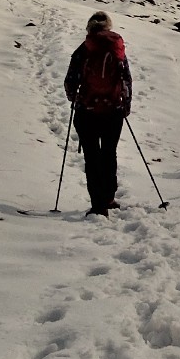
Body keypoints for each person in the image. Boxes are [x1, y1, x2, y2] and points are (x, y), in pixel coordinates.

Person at [64, 11, 132, 216]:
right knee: (109, 153)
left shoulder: (83, 50)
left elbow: (70, 83)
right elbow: (126, 79)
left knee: (92, 157)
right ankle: (109, 197)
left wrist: (75, 99)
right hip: (113, 111)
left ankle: (98, 205)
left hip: (87, 112)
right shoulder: (117, 49)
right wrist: (125, 105)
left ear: (89, 28)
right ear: (108, 28)